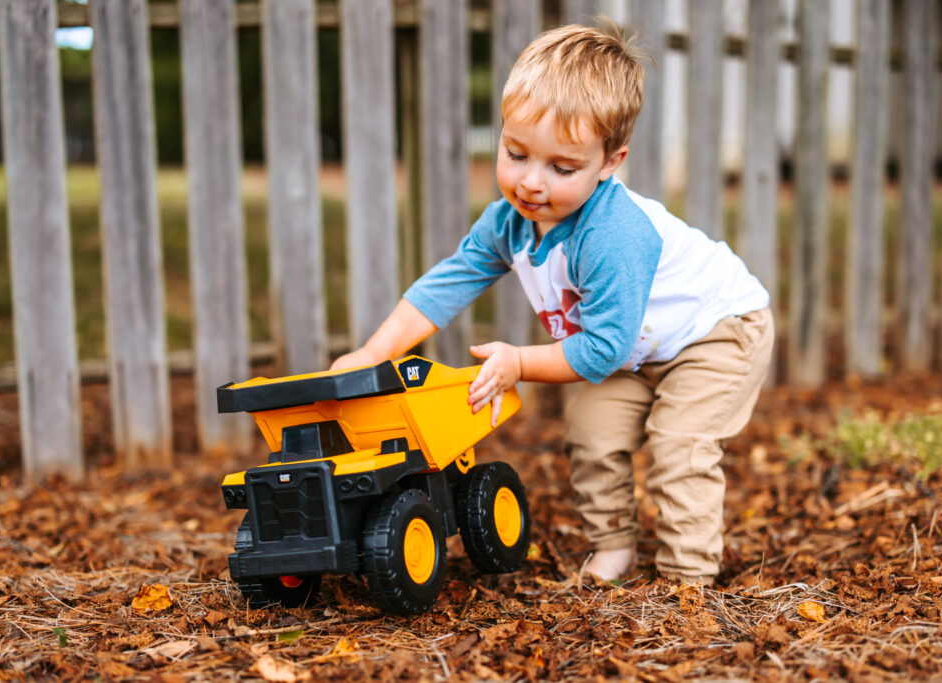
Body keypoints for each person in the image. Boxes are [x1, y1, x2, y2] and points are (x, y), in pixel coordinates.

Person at [331, 20, 774, 585]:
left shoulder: (613, 235)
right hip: (631, 349)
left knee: (679, 443)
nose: (532, 184)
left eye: (562, 168)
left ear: (610, 162)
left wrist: (518, 363)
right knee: (592, 428)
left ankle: (688, 581)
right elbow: (450, 282)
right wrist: (374, 351)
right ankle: (613, 546)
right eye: (515, 154)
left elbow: (602, 348)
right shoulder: (510, 224)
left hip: (715, 332)